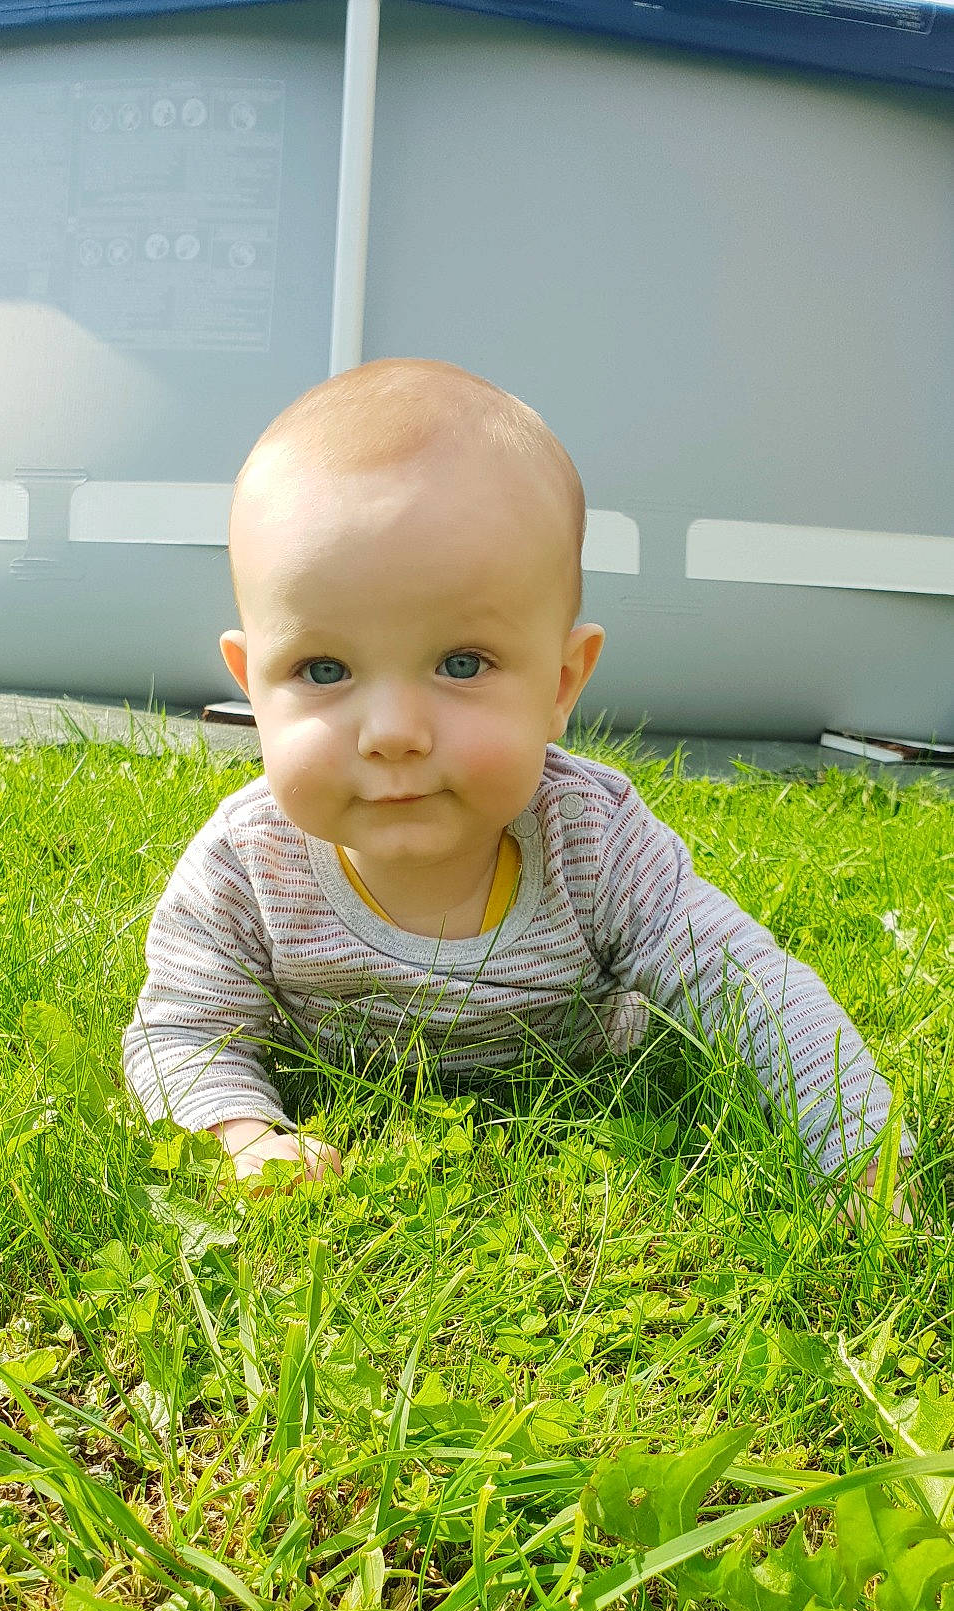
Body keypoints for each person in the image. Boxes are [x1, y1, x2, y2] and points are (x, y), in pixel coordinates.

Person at [123, 357, 917, 1225]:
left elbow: (748, 989)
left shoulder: (593, 841)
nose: (391, 731)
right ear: (251, 682)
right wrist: (246, 1136)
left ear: (562, 683)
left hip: (581, 1088)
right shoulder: (247, 863)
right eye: (322, 669)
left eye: (462, 664)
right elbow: (183, 1031)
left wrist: (860, 1159)